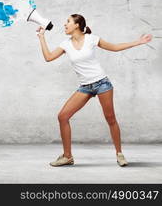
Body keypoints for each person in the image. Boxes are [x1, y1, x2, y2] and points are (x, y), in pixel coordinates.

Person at [36, 14, 153, 167]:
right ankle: (67, 156)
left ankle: (119, 154)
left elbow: (115, 47)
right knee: (63, 116)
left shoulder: (91, 39)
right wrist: (41, 37)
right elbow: (49, 57)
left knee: (110, 119)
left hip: (102, 83)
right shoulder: (66, 44)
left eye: (68, 22)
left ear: (77, 25)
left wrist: (138, 42)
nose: (65, 25)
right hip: (85, 87)